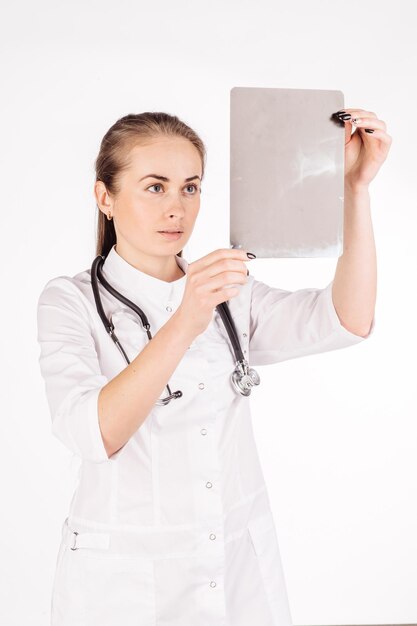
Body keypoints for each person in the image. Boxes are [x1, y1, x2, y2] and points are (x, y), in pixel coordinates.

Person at [36, 109, 390, 626]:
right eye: (154, 188)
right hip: (122, 584)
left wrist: (355, 190)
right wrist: (186, 318)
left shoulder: (228, 294)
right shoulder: (69, 303)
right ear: (104, 197)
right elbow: (95, 434)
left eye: (190, 187)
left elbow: (346, 319)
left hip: (234, 566)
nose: (177, 208)